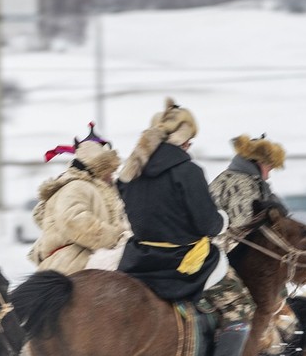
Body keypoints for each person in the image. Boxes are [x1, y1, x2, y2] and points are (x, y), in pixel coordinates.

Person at [200, 134, 287, 356]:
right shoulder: (242, 184)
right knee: (246, 307)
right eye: (269, 168)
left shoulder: (233, 179)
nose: (269, 175)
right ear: (259, 162)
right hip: (222, 258)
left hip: (215, 254)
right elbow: (240, 232)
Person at [117, 98, 225, 303]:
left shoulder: (130, 173)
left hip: (138, 261)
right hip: (181, 263)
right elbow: (207, 224)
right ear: (183, 142)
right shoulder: (189, 171)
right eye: (189, 142)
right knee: (239, 304)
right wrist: (222, 220)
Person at [28, 122, 130, 275]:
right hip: (70, 265)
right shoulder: (76, 186)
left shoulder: (98, 190)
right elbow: (74, 221)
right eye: (109, 170)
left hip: (83, 260)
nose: (112, 175)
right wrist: (116, 238)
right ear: (97, 169)